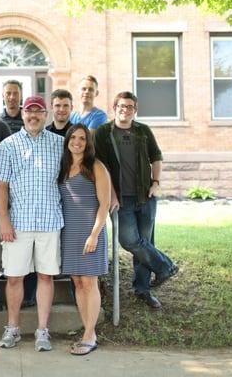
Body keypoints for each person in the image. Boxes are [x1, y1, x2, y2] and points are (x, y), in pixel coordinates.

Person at [0, 95, 64, 352]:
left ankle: (42, 331)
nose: (34, 116)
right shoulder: (8, 145)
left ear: (46, 115)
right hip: (18, 223)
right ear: (22, 114)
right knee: (13, 277)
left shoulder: (60, 144)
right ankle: (13, 328)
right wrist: (3, 221)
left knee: (45, 276)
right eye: (29, 112)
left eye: (39, 112)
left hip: (49, 220)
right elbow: (1, 186)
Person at [93, 91, 178, 309]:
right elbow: (100, 166)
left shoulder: (143, 131)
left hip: (145, 197)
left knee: (145, 244)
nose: (125, 109)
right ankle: (165, 266)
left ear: (135, 110)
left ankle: (143, 290)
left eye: (130, 106)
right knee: (130, 241)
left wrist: (156, 182)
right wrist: (110, 193)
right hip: (121, 199)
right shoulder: (103, 133)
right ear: (115, 108)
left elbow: (156, 157)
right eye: (121, 106)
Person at [58, 124, 110, 355]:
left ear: (88, 143)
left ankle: (90, 335)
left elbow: (105, 204)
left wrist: (94, 234)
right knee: (78, 282)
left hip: (90, 232)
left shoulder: (96, 166)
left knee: (90, 282)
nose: (77, 142)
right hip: (70, 232)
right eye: (73, 137)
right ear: (67, 140)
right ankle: (87, 331)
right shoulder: (63, 167)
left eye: (82, 138)